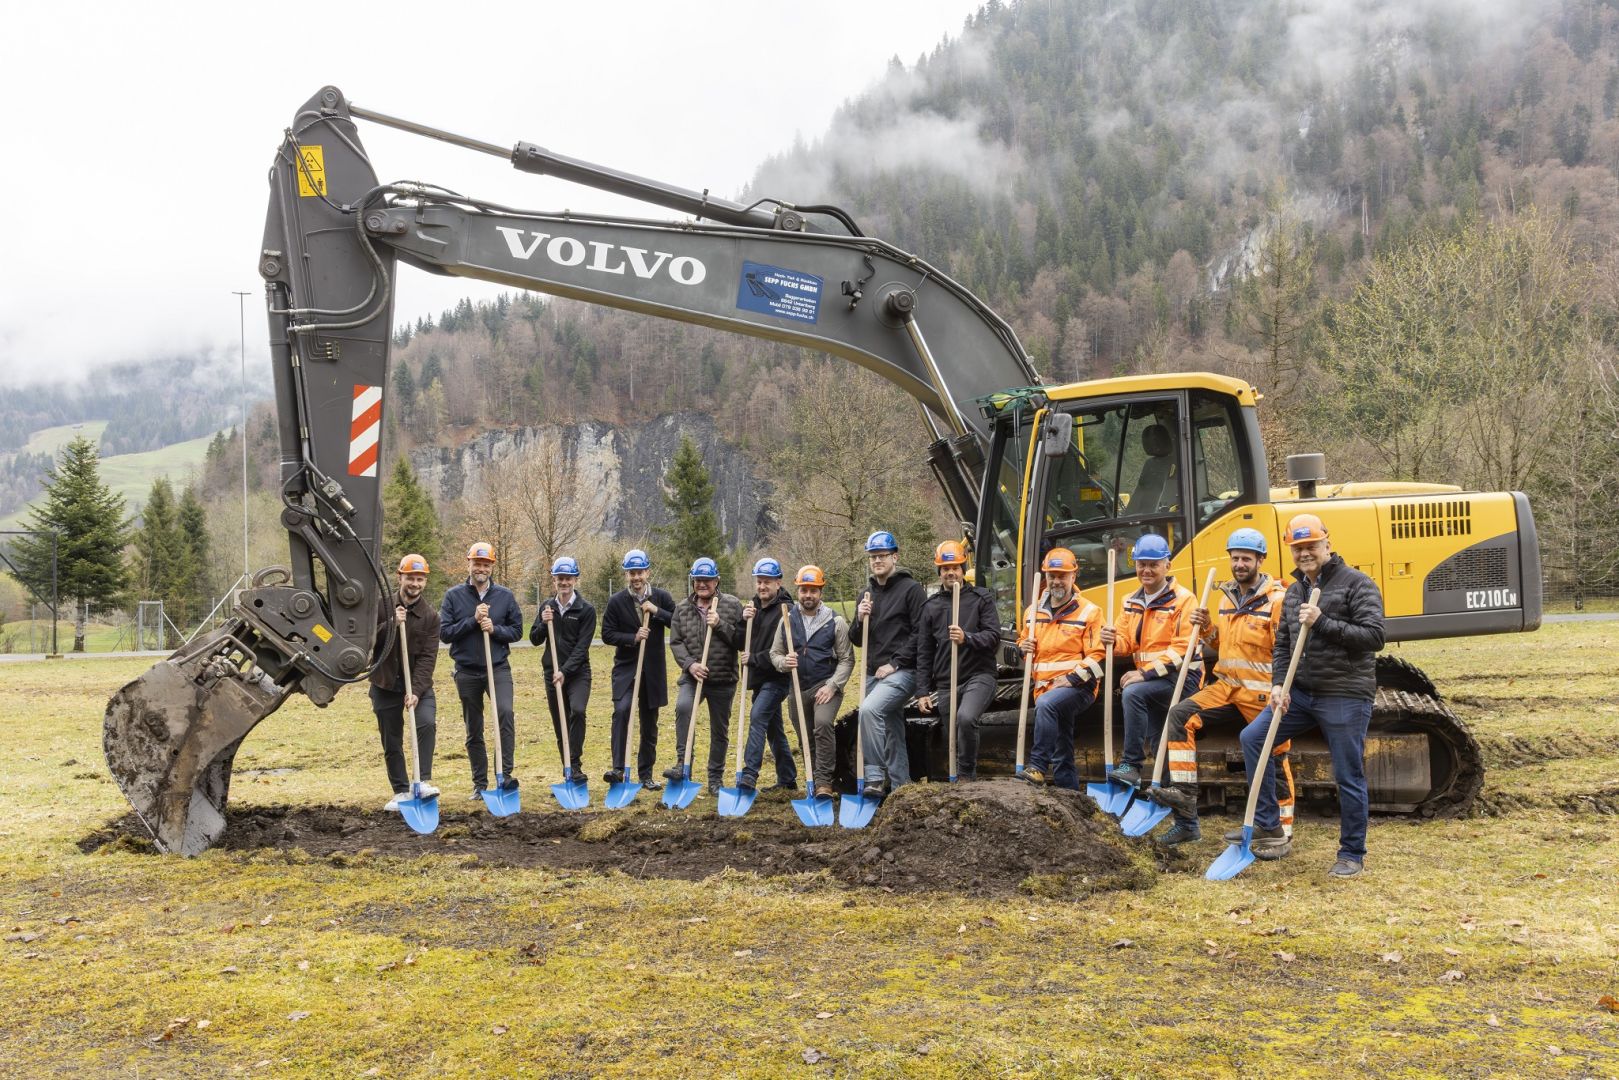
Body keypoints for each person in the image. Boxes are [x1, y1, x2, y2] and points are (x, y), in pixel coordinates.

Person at [1239, 513, 1386, 878]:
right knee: (1253, 738)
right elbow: (1283, 644)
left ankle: (1352, 853)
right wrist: (1278, 685)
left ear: (1327, 545)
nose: (1305, 553)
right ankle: (1270, 825)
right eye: (1297, 548)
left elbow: (1374, 637)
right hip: (1301, 693)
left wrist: (1322, 621)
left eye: (1311, 546)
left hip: (1345, 693)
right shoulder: (1293, 591)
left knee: (1348, 774)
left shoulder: (1357, 584)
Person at [1147, 528, 1292, 846]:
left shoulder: (1277, 600)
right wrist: (1207, 627)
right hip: (1226, 685)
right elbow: (1220, 644)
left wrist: (1282, 688)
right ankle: (1184, 793)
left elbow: (1287, 650)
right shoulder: (1227, 597)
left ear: (1260, 560)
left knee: (1275, 755)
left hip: (1262, 692)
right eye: (1235, 558)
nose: (1239, 563)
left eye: (1246, 558)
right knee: (1180, 715)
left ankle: (1282, 826)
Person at [1100, 533, 1200, 788]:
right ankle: (1165, 790)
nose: (1146, 570)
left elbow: (1181, 651)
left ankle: (1132, 764)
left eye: (1153, 564)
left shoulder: (1183, 600)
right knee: (1158, 737)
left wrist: (1143, 675)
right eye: (1141, 564)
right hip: (1155, 677)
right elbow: (1126, 643)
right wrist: (1110, 640)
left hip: (1182, 677)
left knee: (1133, 693)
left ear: (1167, 565)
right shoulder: (1130, 601)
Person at [439, 540, 524, 799]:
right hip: (466, 671)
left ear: (492, 566)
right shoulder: (453, 596)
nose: (481, 568)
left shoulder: (505, 597)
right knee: (473, 727)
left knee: (505, 715)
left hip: (497, 667)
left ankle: (504, 776)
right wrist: (472, 621)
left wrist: (495, 630)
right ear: (469, 563)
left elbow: (518, 631)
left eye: (486, 564)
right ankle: (479, 783)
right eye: (477, 563)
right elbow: (444, 633)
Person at [1017, 548, 1107, 789]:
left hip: (1079, 686)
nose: (1057, 581)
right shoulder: (1032, 613)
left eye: (1062, 575)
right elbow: (1025, 648)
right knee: (1061, 745)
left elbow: (1098, 656)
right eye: (1052, 575)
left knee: (1047, 706)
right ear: (1045, 576)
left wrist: (1071, 678)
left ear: (1073, 577)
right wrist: (1022, 646)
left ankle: (1036, 766)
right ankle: (1071, 796)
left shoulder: (1090, 611)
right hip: (1045, 687)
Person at [914, 540, 1001, 780]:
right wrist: (922, 690)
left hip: (979, 675)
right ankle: (953, 777)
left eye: (955, 567)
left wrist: (967, 638)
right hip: (947, 682)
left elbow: (994, 636)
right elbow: (924, 651)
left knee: (966, 718)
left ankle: (966, 776)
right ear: (940, 572)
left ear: (963, 570)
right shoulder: (931, 607)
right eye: (945, 568)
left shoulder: (981, 599)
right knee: (951, 732)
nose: (950, 572)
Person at [769, 565, 855, 798]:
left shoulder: (835, 622)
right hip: (796, 688)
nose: (808, 595)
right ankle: (815, 782)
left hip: (825, 685)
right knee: (807, 738)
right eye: (804, 590)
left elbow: (847, 659)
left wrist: (832, 685)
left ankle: (824, 783)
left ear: (821, 592)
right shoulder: (787, 619)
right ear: (798, 590)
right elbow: (775, 653)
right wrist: (784, 662)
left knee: (823, 724)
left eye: (813, 590)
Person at [851, 529, 925, 799]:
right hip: (873, 673)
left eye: (882, 555)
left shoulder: (912, 590)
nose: (877, 561)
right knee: (892, 729)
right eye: (872, 556)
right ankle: (901, 788)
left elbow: (921, 635)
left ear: (895, 556)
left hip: (903, 672)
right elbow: (856, 640)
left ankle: (873, 777)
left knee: (869, 711)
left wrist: (895, 663)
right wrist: (860, 619)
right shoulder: (866, 594)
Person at [368, 554, 441, 809]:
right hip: (384, 682)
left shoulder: (430, 616)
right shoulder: (380, 607)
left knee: (425, 723)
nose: (415, 583)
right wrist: (390, 624)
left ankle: (422, 782)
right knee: (392, 737)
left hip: (417, 685)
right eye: (411, 577)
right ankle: (400, 791)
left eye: (420, 579)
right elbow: (367, 645)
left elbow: (428, 659)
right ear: (400, 577)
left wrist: (417, 691)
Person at [666, 557, 745, 790]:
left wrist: (720, 624)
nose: (702, 584)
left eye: (707, 580)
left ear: (716, 580)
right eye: (698, 580)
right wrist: (690, 665)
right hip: (693, 677)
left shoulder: (731, 605)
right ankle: (683, 764)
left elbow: (741, 641)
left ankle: (715, 778)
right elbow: (676, 642)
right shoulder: (682, 608)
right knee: (683, 708)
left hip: (723, 678)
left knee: (719, 729)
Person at [599, 549, 675, 790]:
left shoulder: (661, 597)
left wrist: (657, 612)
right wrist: (633, 637)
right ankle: (619, 769)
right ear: (626, 574)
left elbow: (678, 622)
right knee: (621, 712)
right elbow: (607, 634)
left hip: (652, 671)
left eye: (640, 572)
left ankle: (645, 775)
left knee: (649, 722)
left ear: (647, 572)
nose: (636, 577)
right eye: (632, 573)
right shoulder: (616, 601)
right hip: (626, 670)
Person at [734, 558, 799, 793]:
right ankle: (788, 778)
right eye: (759, 582)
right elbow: (740, 641)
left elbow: (782, 651)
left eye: (767, 582)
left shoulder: (787, 611)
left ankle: (749, 774)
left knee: (758, 715)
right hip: (759, 679)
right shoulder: (753, 607)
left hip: (778, 677)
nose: (762, 586)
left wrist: (753, 659)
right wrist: (743, 621)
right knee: (774, 729)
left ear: (778, 583)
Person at [530, 555, 596, 784]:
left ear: (575, 579)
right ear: (554, 580)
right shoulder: (547, 606)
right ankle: (567, 769)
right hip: (552, 674)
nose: (564, 583)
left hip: (577, 674)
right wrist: (542, 622)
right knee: (560, 723)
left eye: (568, 578)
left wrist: (565, 671)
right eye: (560, 579)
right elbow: (534, 639)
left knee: (576, 711)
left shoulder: (586, 609)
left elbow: (581, 648)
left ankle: (575, 765)